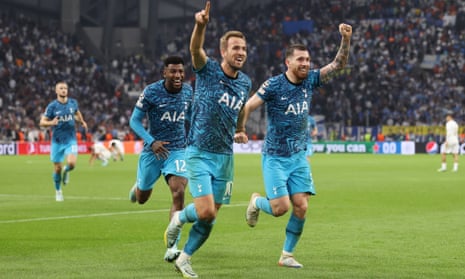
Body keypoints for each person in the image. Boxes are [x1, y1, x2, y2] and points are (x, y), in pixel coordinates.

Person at [235, 24, 352, 268]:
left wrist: (345, 39)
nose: (306, 63)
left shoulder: (310, 80)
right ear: (288, 62)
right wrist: (240, 129)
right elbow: (247, 106)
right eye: (300, 59)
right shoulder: (274, 85)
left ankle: (286, 255)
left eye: (308, 59)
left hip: (298, 156)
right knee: (280, 208)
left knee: (301, 206)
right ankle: (257, 201)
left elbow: (338, 65)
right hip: (275, 156)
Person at [164, 1, 252, 277]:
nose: (241, 53)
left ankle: (185, 258)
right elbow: (195, 50)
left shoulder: (245, 82)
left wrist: (240, 128)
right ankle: (179, 217)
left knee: (213, 215)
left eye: (244, 49)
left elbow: (241, 108)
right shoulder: (209, 70)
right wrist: (200, 25)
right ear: (223, 51)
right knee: (205, 212)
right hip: (200, 152)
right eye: (236, 48)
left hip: (225, 157)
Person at [127, 56, 193, 263]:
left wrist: (195, 136)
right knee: (142, 198)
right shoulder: (151, 92)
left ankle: (173, 246)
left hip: (177, 150)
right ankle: (138, 186)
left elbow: (189, 116)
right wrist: (151, 140)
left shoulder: (189, 91)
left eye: (180, 71)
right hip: (153, 151)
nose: (178, 75)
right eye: (173, 71)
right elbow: (134, 121)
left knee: (179, 191)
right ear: (164, 73)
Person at [39, 81, 88, 202]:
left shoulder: (73, 103)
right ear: (56, 91)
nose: (63, 90)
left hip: (70, 140)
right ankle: (58, 190)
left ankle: (67, 171)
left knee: (71, 163)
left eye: (65, 88)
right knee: (57, 169)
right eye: (61, 88)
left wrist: (82, 122)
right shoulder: (52, 107)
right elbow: (42, 122)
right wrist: (51, 123)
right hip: (57, 141)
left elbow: (77, 113)